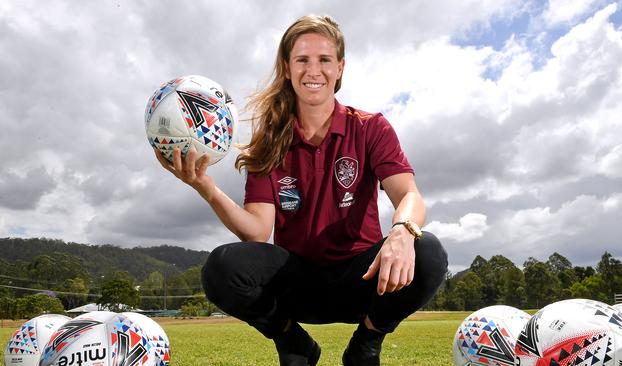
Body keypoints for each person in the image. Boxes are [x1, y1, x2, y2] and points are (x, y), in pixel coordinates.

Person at [155, 14, 448, 366]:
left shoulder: (371, 128)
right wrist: (206, 188)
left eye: (324, 59)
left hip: (364, 280)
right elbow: (258, 231)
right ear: (287, 67)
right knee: (221, 267)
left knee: (428, 251)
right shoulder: (270, 142)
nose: (314, 70)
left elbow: (409, 196)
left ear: (340, 67)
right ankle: (294, 342)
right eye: (302, 60)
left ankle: (367, 342)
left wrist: (402, 231)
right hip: (298, 283)